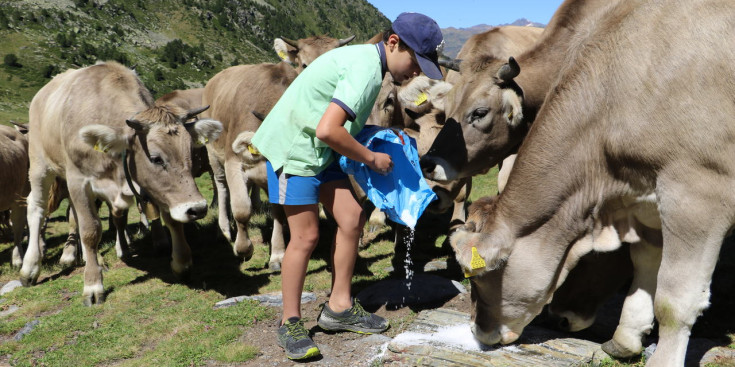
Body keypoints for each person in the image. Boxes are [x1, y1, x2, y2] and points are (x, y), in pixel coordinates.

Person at [251, 12, 445, 360]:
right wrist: (372, 159)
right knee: (306, 236)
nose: (417, 72)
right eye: (416, 61)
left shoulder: (367, 61)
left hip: (319, 152)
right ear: (393, 42)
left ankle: (338, 307)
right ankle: (290, 322)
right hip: (294, 152)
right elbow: (328, 130)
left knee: (353, 217)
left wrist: (379, 137)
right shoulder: (366, 71)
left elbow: (333, 126)